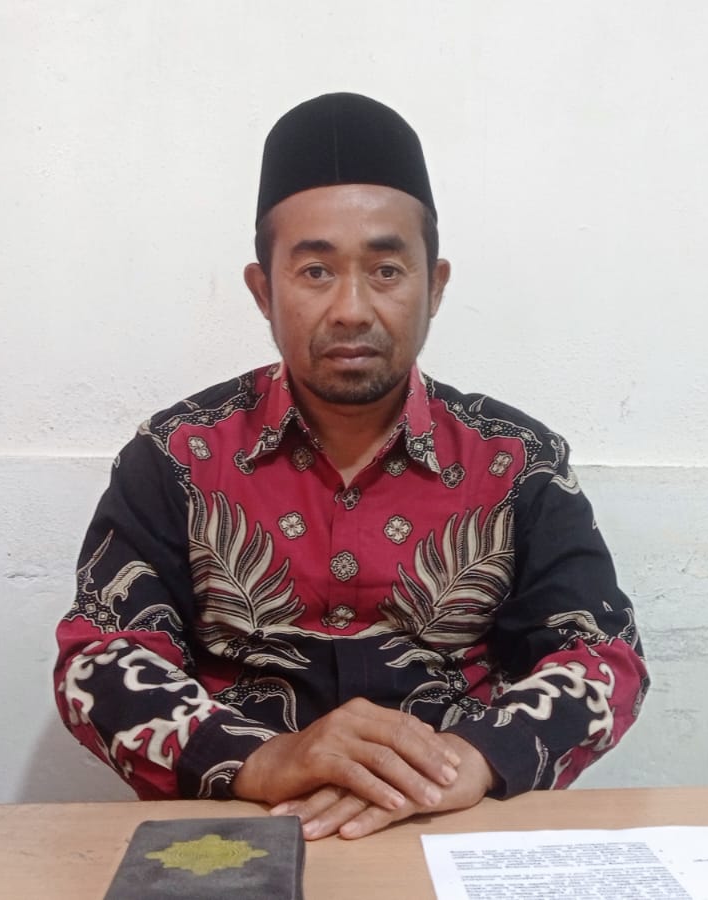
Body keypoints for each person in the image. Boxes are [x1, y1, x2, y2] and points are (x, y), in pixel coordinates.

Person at [53, 92, 648, 841]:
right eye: (314, 271)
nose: (352, 309)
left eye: (387, 270)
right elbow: (99, 659)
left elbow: (602, 656)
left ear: (436, 285)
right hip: (239, 829)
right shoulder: (176, 456)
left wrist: (471, 761)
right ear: (263, 290)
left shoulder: (517, 461)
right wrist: (264, 759)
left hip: (450, 827)